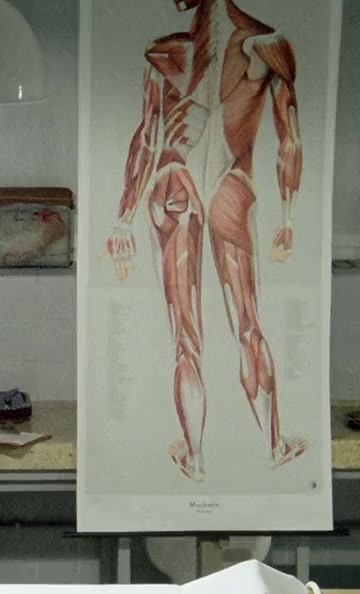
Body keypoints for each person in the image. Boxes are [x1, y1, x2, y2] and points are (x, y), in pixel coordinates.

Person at [106, 0, 307, 482]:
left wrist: (124, 219)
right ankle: (273, 445)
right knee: (248, 324)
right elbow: (290, 136)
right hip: (230, 185)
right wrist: (288, 217)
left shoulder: (165, 53)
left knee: (185, 339)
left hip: (172, 185)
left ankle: (195, 459)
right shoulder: (266, 44)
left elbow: (148, 138)